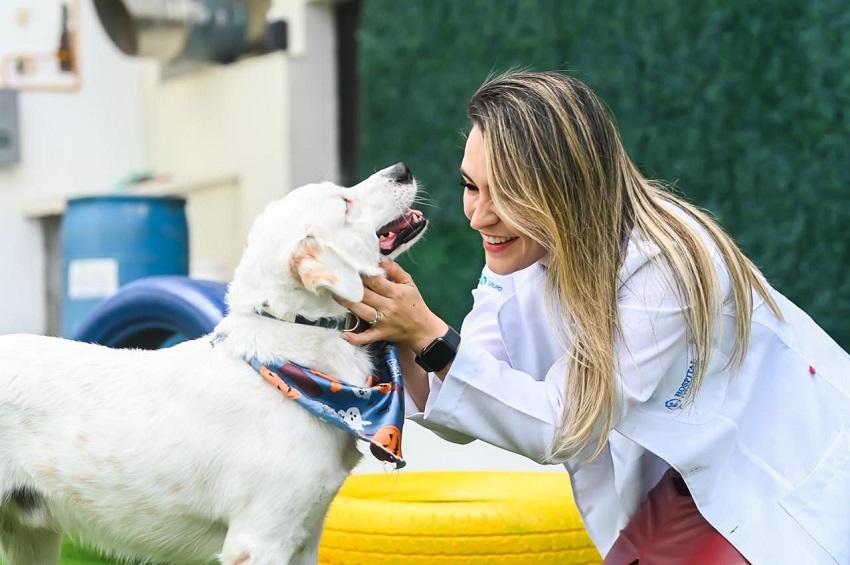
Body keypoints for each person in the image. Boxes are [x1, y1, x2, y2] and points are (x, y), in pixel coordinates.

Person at [336, 70, 850, 564]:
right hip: (685, 490)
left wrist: (427, 333)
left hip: (783, 475)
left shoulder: (662, 262)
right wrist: (399, 331)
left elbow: (567, 423)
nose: (478, 215)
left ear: (566, 188)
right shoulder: (521, 255)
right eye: (472, 186)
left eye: (507, 194)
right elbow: (466, 392)